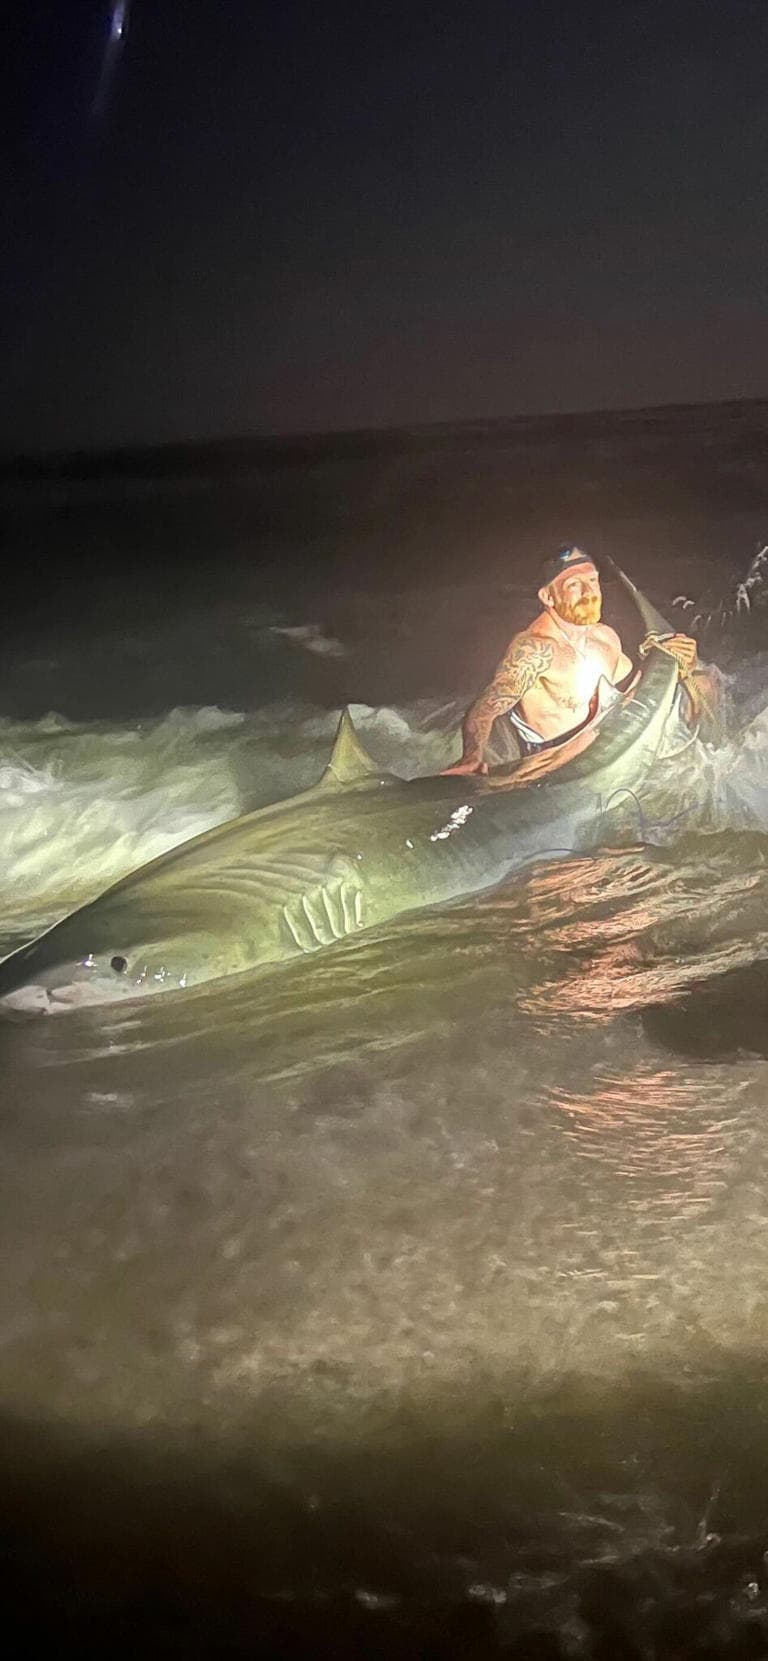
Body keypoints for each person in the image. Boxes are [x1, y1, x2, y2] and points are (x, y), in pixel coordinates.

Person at [443, 545, 698, 775]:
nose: (589, 592)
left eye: (592, 580)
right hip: (556, 766)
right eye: (574, 584)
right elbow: (487, 707)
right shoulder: (535, 648)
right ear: (548, 597)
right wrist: (473, 755)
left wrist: (673, 661)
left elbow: (632, 691)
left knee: (704, 684)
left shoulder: (604, 636)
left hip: (605, 745)